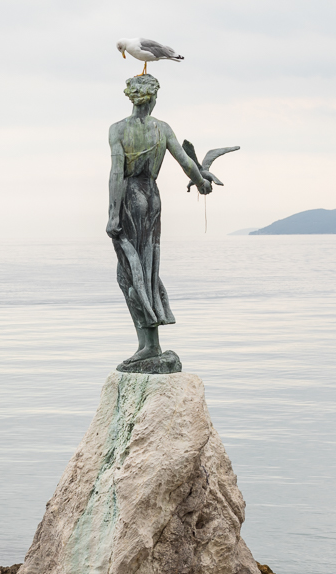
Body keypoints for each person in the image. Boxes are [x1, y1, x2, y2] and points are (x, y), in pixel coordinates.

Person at [105, 74, 211, 365]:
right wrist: (202, 181)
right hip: (152, 197)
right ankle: (151, 342)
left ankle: (148, 345)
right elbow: (186, 162)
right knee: (147, 267)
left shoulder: (118, 129)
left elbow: (117, 171)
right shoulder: (162, 128)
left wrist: (113, 214)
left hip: (130, 197)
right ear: (152, 97)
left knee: (128, 272)